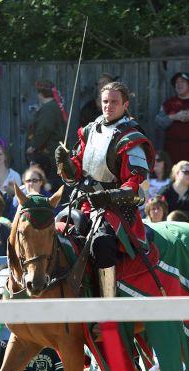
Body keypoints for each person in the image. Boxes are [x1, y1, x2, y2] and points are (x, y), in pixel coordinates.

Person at [55, 81, 155, 298]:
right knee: (58, 236)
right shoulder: (91, 130)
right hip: (83, 203)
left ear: (125, 104)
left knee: (101, 243)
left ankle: (107, 306)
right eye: (105, 101)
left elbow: (136, 185)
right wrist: (66, 163)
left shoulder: (130, 138)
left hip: (116, 209)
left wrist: (109, 196)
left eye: (114, 102)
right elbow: (77, 172)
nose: (109, 106)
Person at [26, 79, 66, 192]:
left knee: (48, 189)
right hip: (51, 157)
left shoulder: (49, 108)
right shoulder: (52, 107)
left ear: (41, 93)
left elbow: (44, 130)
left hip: (48, 158)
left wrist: (33, 146)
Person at [160, 160, 189, 227]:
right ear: (177, 173)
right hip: (169, 226)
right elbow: (158, 207)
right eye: (186, 172)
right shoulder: (165, 190)